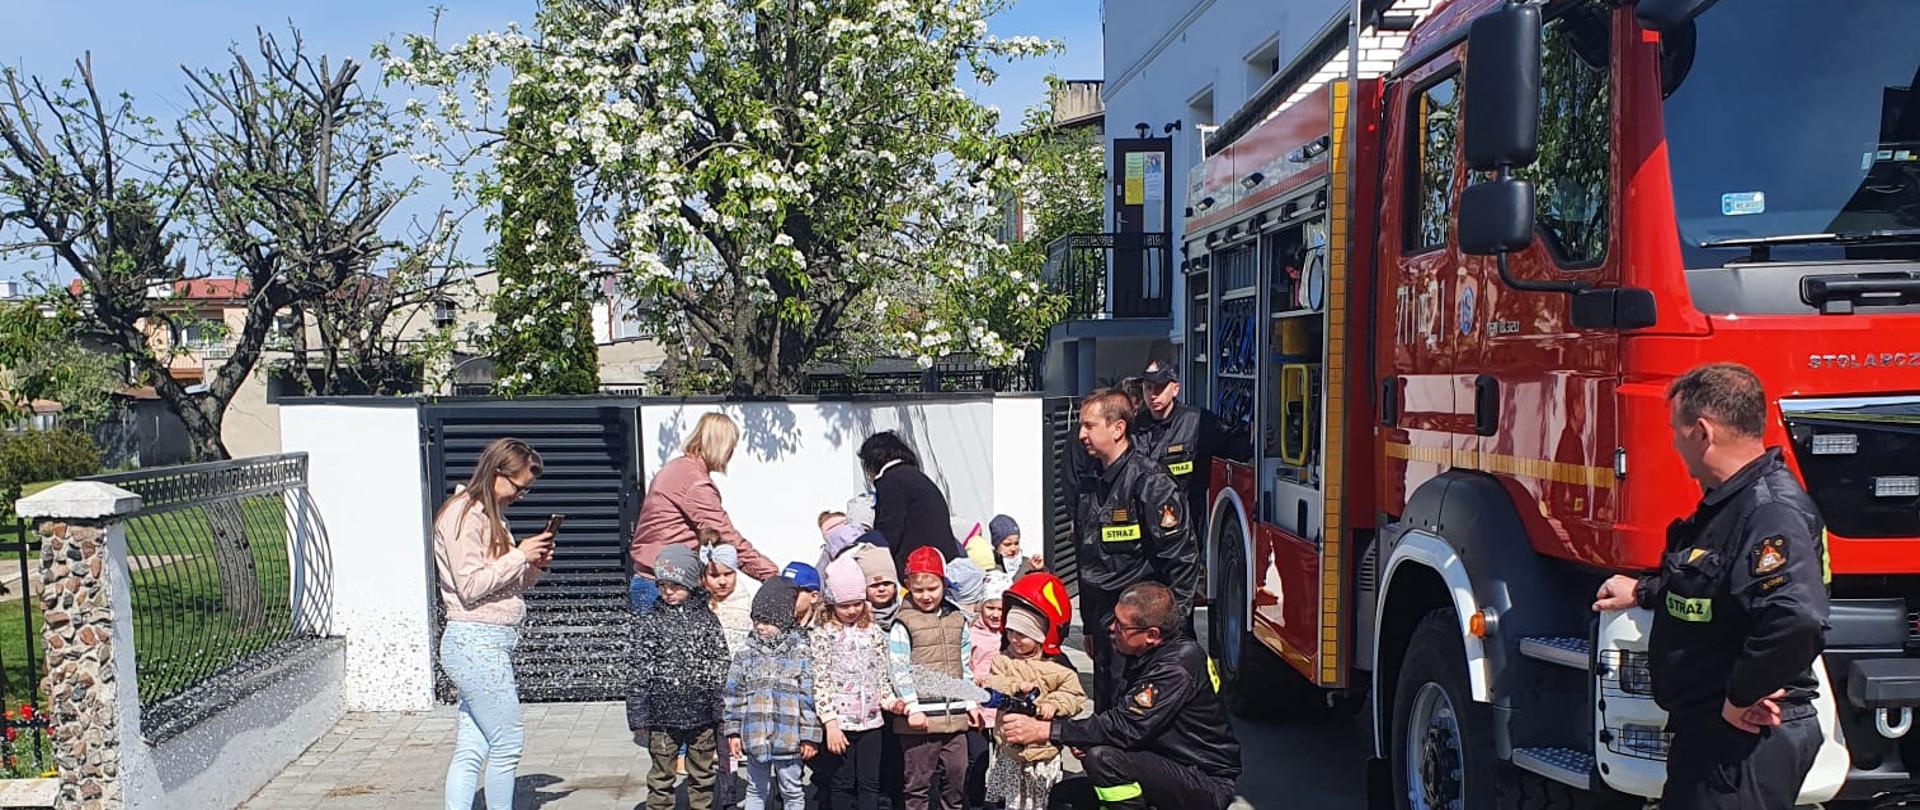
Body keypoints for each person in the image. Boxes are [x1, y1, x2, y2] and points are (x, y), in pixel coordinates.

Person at [1592, 363, 1829, 810]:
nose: (1673, 442)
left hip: (1746, 734)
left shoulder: (1769, 511)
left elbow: (1796, 617)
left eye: (1675, 429)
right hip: (1718, 735)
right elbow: (1715, 585)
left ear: (1702, 432)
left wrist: (1742, 694)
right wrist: (1644, 591)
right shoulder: (1732, 505)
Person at [1000, 582, 1241, 810]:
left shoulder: (1175, 667)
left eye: (1121, 626)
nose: (1111, 628)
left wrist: (1047, 730)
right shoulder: (1146, 653)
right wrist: (1083, 737)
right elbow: (1125, 720)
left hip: (1202, 779)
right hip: (1163, 761)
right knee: (1065, 796)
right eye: (1114, 619)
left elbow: (1126, 726)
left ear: (1152, 634)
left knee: (1103, 759)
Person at [433, 438, 553, 810]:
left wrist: (532, 566)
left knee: (473, 746)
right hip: (475, 643)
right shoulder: (463, 515)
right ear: (497, 472)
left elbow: (504, 586)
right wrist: (518, 555)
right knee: (507, 743)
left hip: (486, 642)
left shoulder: (492, 515)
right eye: (518, 487)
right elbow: (470, 587)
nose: (520, 496)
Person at [1072, 388, 1197, 711]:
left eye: (1089, 425)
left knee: (1139, 716)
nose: (1081, 434)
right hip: (1105, 623)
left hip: (1140, 629)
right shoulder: (1090, 481)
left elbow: (1181, 559)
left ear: (1118, 428)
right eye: (1080, 425)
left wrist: (1171, 632)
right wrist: (1089, 624)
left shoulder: (1150, 482)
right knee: (1108, 710)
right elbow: (1087, 560)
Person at [630, 413, 779, 614]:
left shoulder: (676, 468)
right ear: (721, 445)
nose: (731, 454)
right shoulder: (694, 482)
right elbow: (724, 536)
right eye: (731, 447)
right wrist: (771, 576)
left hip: (650, 579)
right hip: (666, 586)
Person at [629, 545, 731, 810]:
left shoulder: (706, 620)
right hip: (662, 717)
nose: (668, 592)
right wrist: (638, 716)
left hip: (702, 716)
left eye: (675, 585)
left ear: (691, 583)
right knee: (661, 776)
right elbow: (639, 670)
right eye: (662, 585)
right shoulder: (651, 621)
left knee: (703, 774)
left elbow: (719, 666)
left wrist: (721, 711)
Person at [888, 547, 983, 810]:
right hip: (921, 720)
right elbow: (898, 667)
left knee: (956, 775)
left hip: (954, 715)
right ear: (908, 586)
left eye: (932, 588)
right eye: (919, 590)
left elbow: (964, 664)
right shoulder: (903, 622)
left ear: (943, 584)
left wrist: (971, 702)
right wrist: (912, 707)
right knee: (917, 782)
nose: (926, 595)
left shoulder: (956, 618)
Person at [979, 584, 1086, 810]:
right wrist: (1015, 686)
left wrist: (1053, 705)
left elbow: (1075, 696)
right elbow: (992, 682)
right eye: (1011, 632)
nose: (1014, 639)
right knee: (1011, 801)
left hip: (1043, 752)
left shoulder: (1057, 667)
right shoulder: (1003, 660)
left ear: (1040, 636)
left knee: (1041, 801)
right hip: (1009, 751)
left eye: (1022, 635)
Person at [813, 554, 904, 810]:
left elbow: (881, 675)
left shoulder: (873, 632)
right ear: (832, 604)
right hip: (840, 723)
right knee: (842, 782)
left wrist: (891, 701)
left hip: (872, 722)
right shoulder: (823, 634)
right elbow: (820, 680)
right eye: (845, 605)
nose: (852, 610)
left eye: (857, 604)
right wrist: (830, 723)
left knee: (870, 782)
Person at [1132, 360, 1250, 553]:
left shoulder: (1198, 423)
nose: (1153, 394)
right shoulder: (1134, 427)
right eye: (1148, 387)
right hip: (1143, 538)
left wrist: (1259, 441)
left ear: (1175, 389)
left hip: (1184, 536)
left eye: (1160, 387)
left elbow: (1235, 447)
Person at [725, 577, 821, 810]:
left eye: (767, 621)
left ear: (784, 620)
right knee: (756, 790)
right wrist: (733, 731)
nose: (760, 626)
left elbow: (808, 698)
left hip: (789, 739)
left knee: (792, 791)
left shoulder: (800, 652)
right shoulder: (745, 654)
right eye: (756, 620)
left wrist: (809, 736)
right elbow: (734, 696)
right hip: (755, 737)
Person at [859, 431, 960, 578]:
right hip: (940, 562)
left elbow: (889, 531)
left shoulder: (891, 481)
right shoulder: (914, 477)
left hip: (919, 568)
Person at [966, 571, 1013, 809]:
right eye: (990, 608)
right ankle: (974, 801)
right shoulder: (972, 633)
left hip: (1004, 707)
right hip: (979, 707)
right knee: (978, 758)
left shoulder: (1011, 635)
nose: (995, 614)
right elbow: (965, 663)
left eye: (1000, 609)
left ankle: (1002, 799)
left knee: (1005, 759)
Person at [781, 561, 821, 628]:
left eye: (793, 592)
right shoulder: (772, 619)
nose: (786, 597)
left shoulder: (824, 629)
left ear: (813, 597)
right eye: (782, 590)